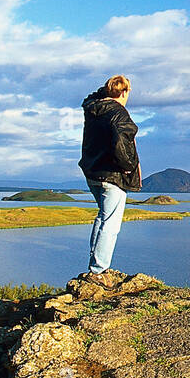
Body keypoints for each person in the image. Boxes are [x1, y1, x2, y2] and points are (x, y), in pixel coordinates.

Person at [78, 74, 142, 277]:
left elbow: (91, 96)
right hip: (112, 176)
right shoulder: (118, 113)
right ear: (124, 92)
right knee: (111, 224)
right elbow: (120, 141)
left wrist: (105, 91)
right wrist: (128, 166)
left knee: (103, 218)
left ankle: (95, 264)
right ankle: (99, 269)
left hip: (93, 173)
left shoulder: (93, 108)